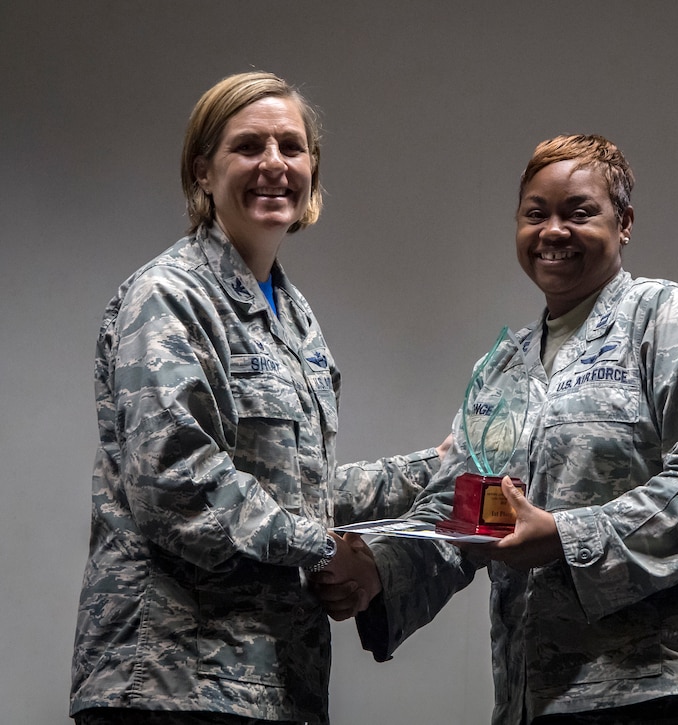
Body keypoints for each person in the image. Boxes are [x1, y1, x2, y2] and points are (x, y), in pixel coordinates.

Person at [317, 134, 678, 723]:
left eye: (579, 212)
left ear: (624, 222)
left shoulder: (665, 319)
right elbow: (469, 511)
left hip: (663, 686)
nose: (554, 231)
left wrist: (567, 536)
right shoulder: (503, 368)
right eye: (536, 214)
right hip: (541, 695)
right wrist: (378, 568)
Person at [70, 71, 445, 725]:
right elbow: (177, 482)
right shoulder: (171, 296)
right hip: (176, 685)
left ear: (312, 174)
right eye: (248, 146)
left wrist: (437, 465)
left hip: (273, 687)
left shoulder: (295, 320)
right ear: (203, 173)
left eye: (291, 147)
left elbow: (303, 492)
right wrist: (326, 548)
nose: (274, 164)